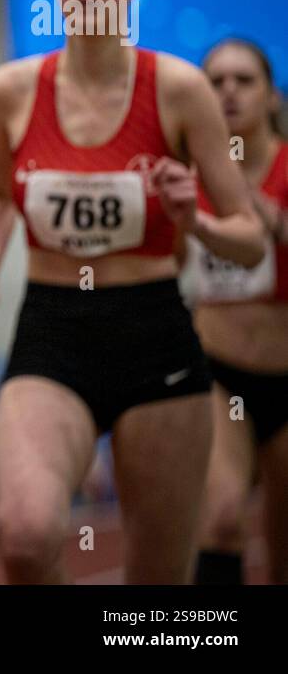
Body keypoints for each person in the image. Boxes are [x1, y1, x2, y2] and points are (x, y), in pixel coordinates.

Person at [0, 0, 266, 583]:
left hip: (154, 334)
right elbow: (2, 194)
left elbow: (248, 242)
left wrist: (199, 221)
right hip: (51, 329)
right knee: (28, 536)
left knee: (157, 580)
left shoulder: (181, 90)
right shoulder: (11, 90)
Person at [184, 38, 288, 584]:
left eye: (242, 81)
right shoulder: (189, 178)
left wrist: (275, 223)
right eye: (215, 81)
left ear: (272, 97)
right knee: (222, 517)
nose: (227, 92)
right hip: (221, 374)